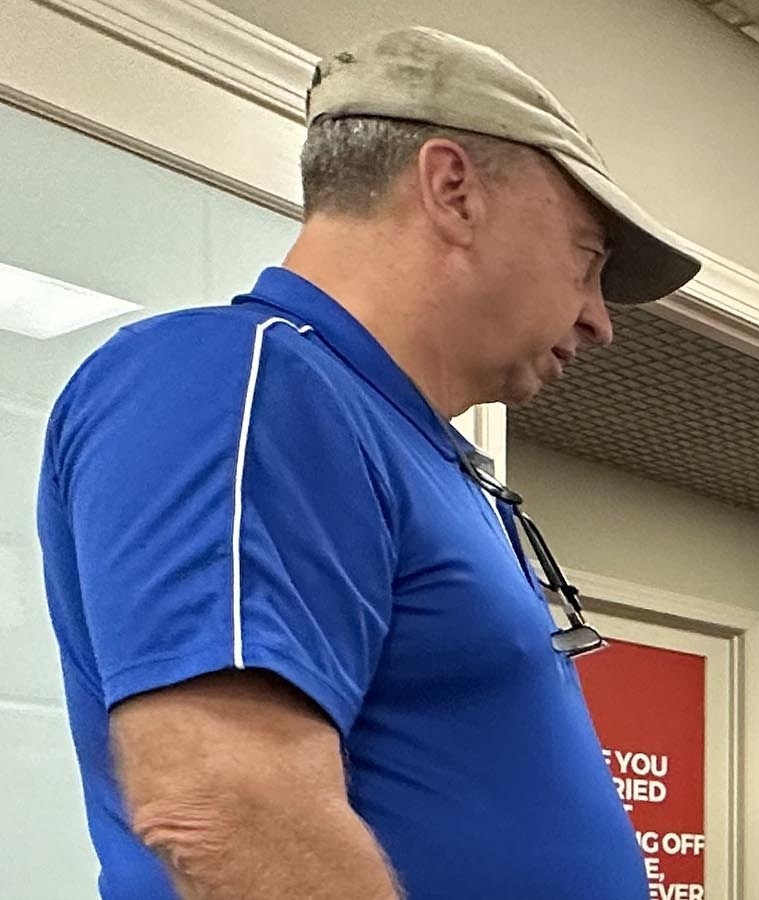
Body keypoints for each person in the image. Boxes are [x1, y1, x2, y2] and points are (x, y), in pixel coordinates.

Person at [36, 26, 700, 899]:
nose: (598, 319)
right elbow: (223, 802)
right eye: (587, 261)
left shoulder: (418, 451)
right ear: (453, 190)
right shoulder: (239, 379)